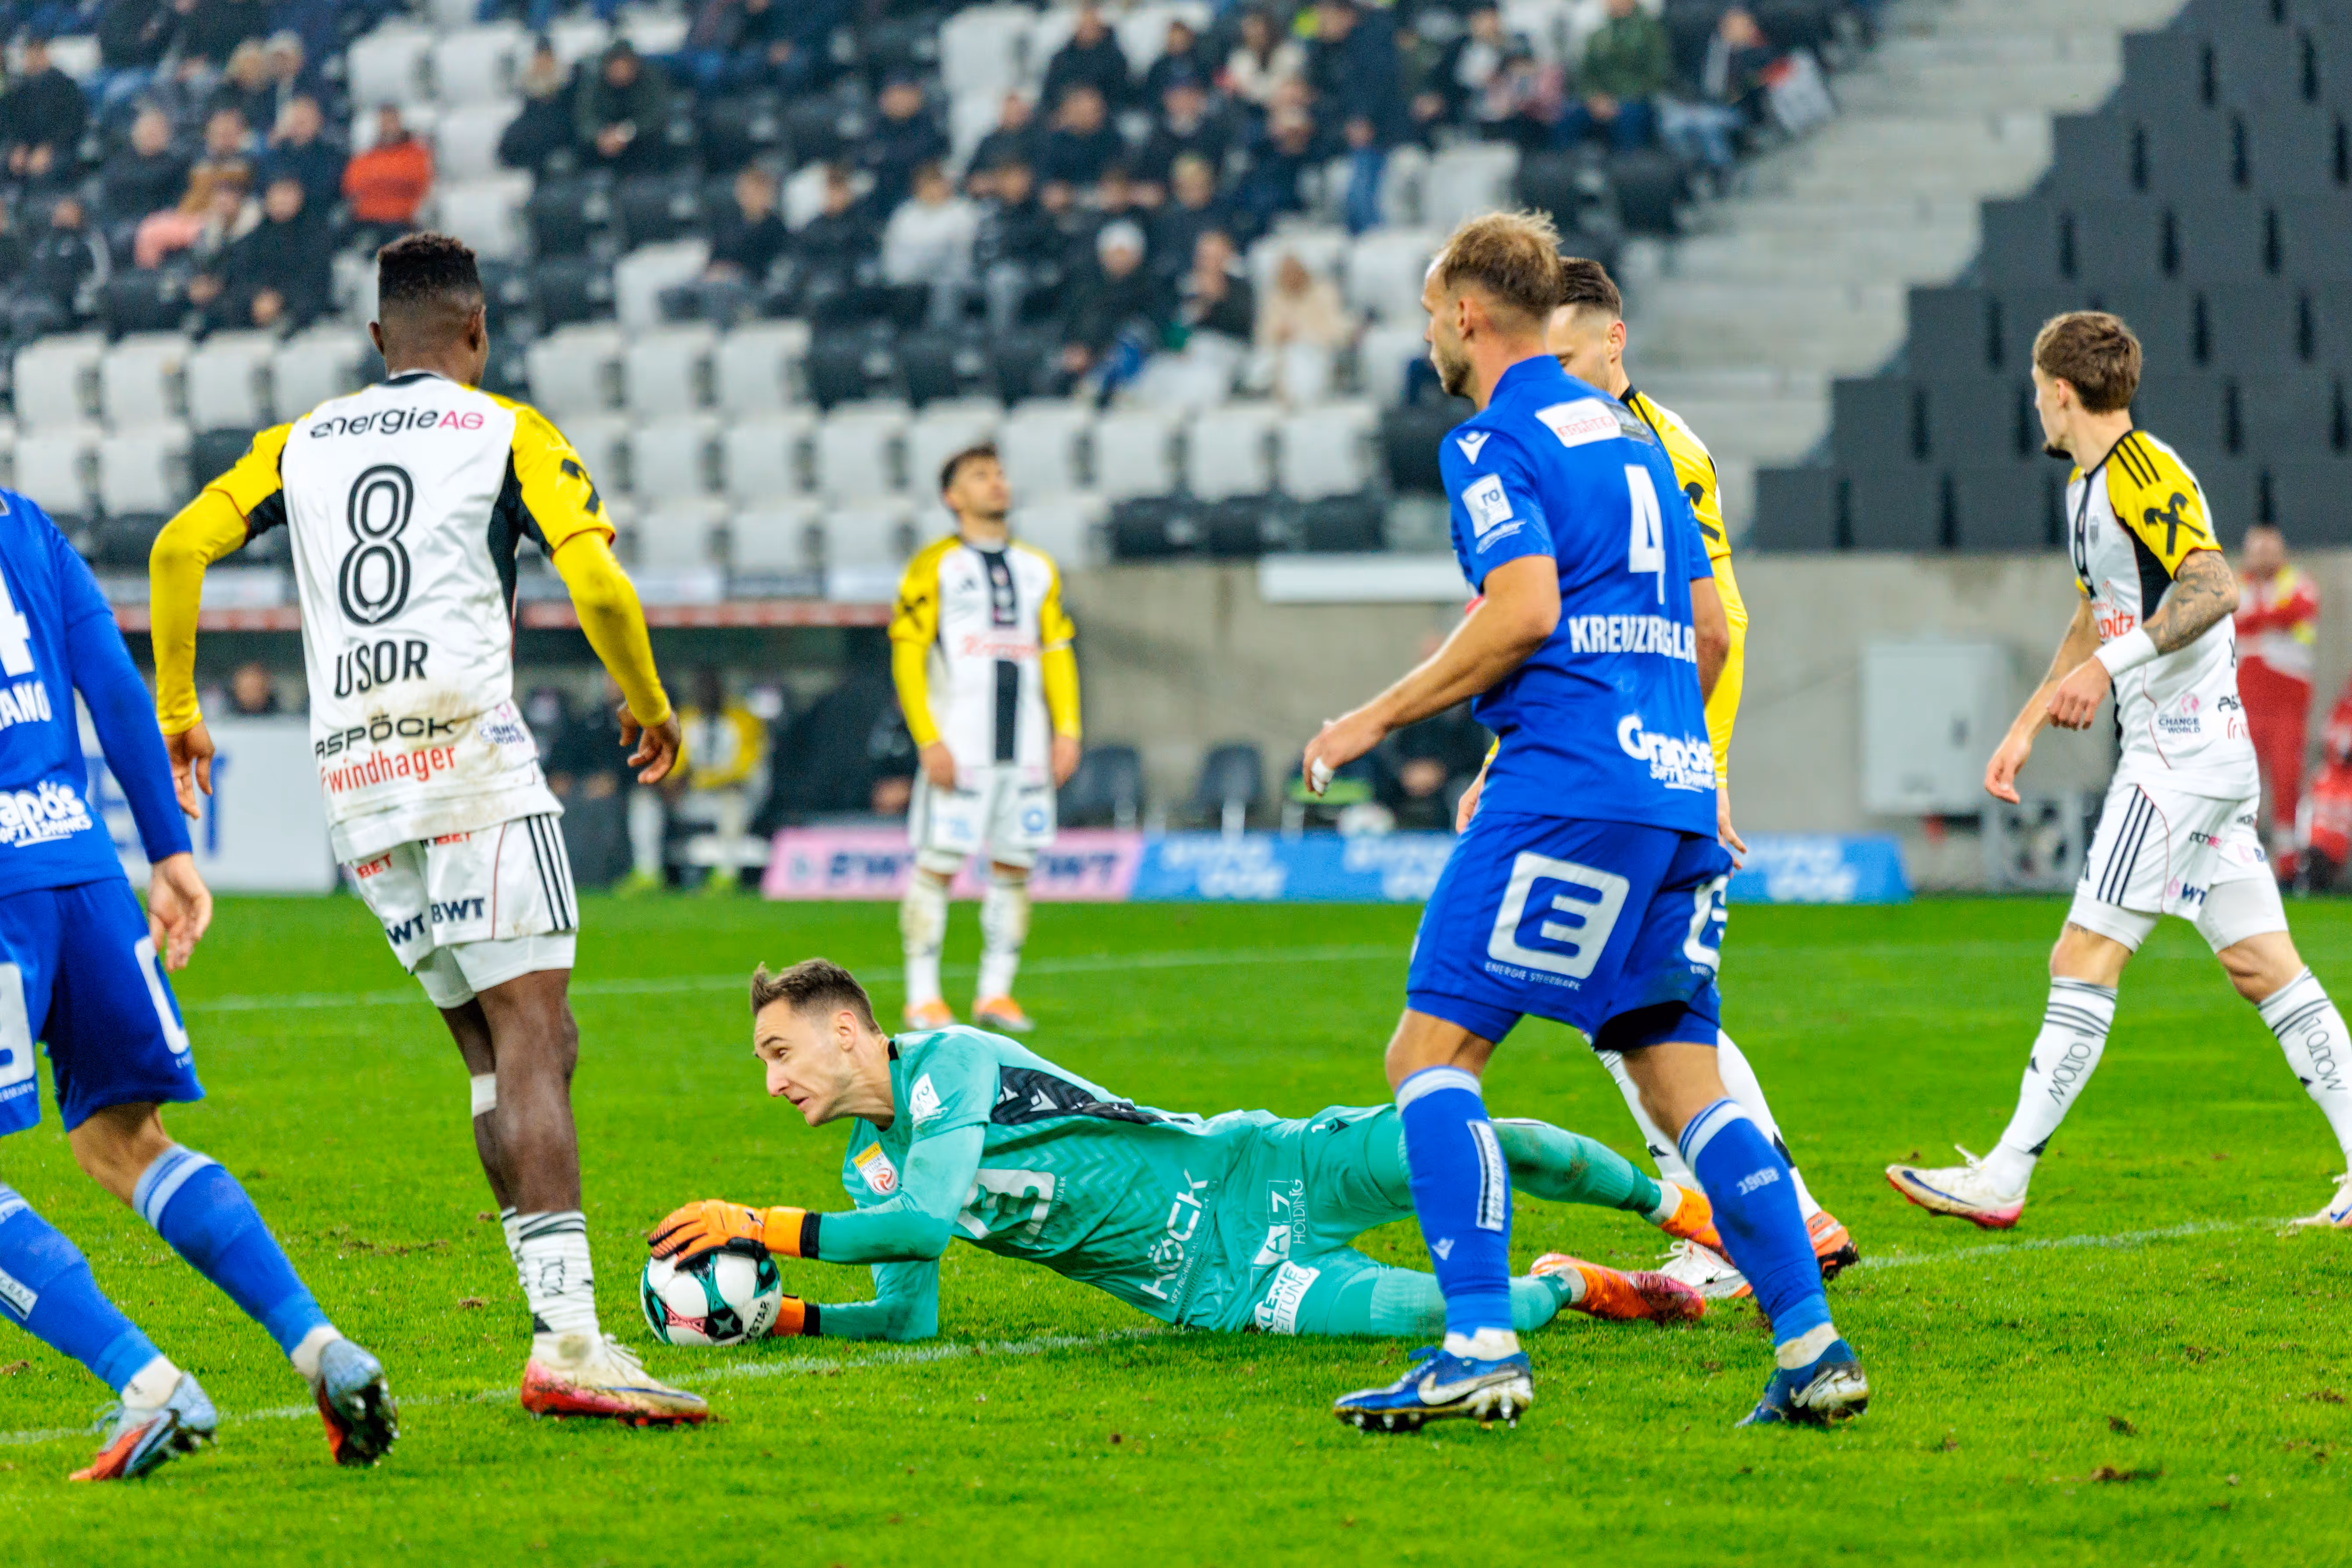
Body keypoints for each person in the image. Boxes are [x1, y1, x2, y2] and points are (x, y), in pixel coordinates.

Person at [1300, 211, 1864, 1431]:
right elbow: (1711, 629)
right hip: (1671, 787)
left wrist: (1371, 722)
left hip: (1569, 786)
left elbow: (1521, 612)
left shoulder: (1489, 440)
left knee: (1430, 1056)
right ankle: (1813, 1346)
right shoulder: (1637, 440)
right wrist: (1677, 750)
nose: (1429, 342)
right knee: (1680, 1076)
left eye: (1427, 318)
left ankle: (1478, 1345)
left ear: (1463, 313)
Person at [148, 232, 708, 1423]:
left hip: (356, 780)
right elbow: (599, 584)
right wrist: (650, 705)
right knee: (539, 1035)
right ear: (477, 335)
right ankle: (569, 1339)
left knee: (493, 1054)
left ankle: (551, 1321)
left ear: (373, 344)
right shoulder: (507, 428)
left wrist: (181, 710)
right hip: (468, 759)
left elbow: (178, 545)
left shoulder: (301, 440)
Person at [1886, 311, 2352, 1233]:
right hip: (2205, 758)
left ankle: (2006, 1173)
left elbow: (2212, 587)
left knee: (2081, 955)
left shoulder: (2143, 472)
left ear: (2060, 391)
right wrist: (2024, 724)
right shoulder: (2084, 488)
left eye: (2035, 391)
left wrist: (2110, 668)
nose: (2035, 407)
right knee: (2264, 967)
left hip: (2174, 760)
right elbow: (2094, 616)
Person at [646, 960, 1719, 1344]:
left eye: (779, 1051)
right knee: (1449, 1315)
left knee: (1489, 1137)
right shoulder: (866, 1173)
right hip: (1216, 1290)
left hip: (1254, 1168)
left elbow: (928, 1222)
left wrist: (759, 1226)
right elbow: (908, 1306)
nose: (774, 1079)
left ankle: (1682, 1214)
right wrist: (781, 1310)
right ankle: (1572, 1285)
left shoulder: (952, 1063)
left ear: (845, 1032)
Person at [0, 479, 394, 1481]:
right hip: (83, 871)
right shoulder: (22, 521)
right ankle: (320, 1346)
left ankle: (148, 1385)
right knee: (124, 1142)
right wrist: (169, 852)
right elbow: (113, 683)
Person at [1537, 257, 1857, 1299]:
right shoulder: (1588, 446)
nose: (1554, 376)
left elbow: (1716, 624)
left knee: (1631, 1006)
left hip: (1641, 768)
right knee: (1644, 1004)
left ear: (1614, 342)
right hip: (1629, 759)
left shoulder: (1658, 450)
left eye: (1569, 356)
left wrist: (1701, 768)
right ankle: (1763, 1217)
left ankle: (1746, 1219)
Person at [890, 445, 1082, 1035]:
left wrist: (1068, 728)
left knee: (1014, 866)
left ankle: (995, 993)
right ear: (952, 497)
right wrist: (927, 738)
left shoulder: (1036, 567)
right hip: (961, 745)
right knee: (938, 865)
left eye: (999, 471)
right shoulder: (934, 565)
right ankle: (922, 997)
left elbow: (1054, 651)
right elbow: (908, 653)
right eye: (979, 475)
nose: (996, 482)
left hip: (1024, 748)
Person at [2234, 523, 2319, 877]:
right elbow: (2228, 623)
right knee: (2242, 780)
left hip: (2287, 702)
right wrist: (2270, 620)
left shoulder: (2298, 583)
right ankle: (2242, 858)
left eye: (2270, 549)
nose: (2264, 556)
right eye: (2258, 549)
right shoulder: (2234, 585)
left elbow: (2298, 611)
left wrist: (2258, 620)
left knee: (2287, 778)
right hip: (2246, 702)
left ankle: (2287, 861)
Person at [1557, 0, 1670, 152]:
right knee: (1565, 115)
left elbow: (1658, 73)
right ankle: (1565, 169)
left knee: (1628, 117)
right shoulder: (1599, 35)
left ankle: (1627, 169)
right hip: (1599, 100)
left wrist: (1617, 100)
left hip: (1635, 99)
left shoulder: (1650, 31)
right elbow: (1587, 75)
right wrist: (1594, 97)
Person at [880, 160, 979, 329]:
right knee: (903, 291)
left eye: (936, 184)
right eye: (927, 185)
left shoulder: (962, 211)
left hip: (951, 277)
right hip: (910, 280)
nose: (933, 190)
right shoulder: (905, 214)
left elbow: (963, 251)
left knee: (944, 287)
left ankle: (941, 339)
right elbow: (892, 255)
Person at [1, 37, 91, 188]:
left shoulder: (66, 86)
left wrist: (48, 148)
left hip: (61, 147)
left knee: (45, 171)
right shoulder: (21, 89)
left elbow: (73, 124)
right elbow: (14, 122)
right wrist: (18, 146)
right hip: (29, 146)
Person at [342, 105, 433, 249]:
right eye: (383, 123)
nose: (387, 127)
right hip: (367, 219)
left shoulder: (416, 154)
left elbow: (418, 182)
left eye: (391, 122)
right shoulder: (366, 157)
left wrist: (379, 182)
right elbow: (351, 185)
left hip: (401, 220)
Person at [574, 41, 672, 175]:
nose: (620, 73)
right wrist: (600, 135)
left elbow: (656, 114)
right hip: (603, 145)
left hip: (641, 143)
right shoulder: (595, 83)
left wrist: (625, 133)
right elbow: (585, 116)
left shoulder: (650, 79)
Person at [1041, 4, 1131, 113]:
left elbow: (1119, 94)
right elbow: (1051, 93)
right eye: (1084, 25)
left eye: (1091, 25)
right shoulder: (1062, 59)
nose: (1087, 29)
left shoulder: (1115, 59)